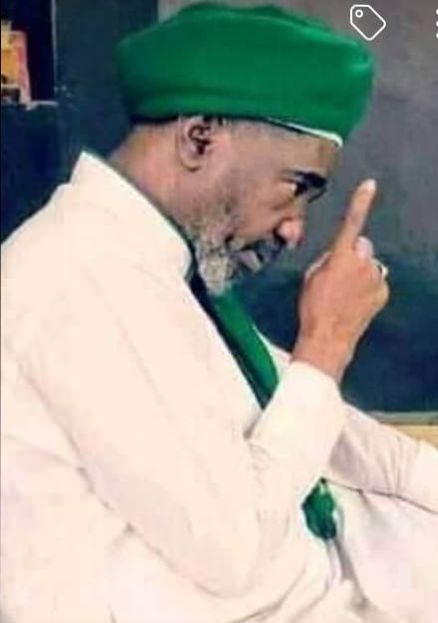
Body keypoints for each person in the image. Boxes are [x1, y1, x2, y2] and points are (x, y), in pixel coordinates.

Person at [1, 4, 437, 623]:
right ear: (199, 139)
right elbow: (233, 552)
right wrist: (326, 345)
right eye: (294, 187)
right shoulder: (78, 277)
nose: (293, 230)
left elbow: (320, 423)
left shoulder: (156, 263)